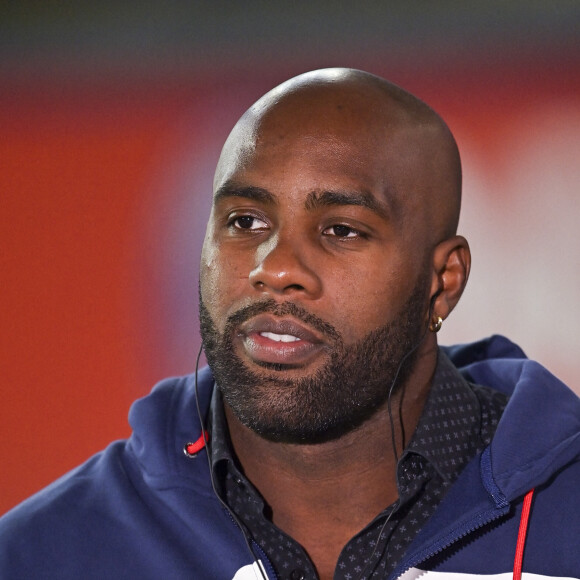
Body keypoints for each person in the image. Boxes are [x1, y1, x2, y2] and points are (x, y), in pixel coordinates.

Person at [0, 68, 578, 580]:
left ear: (443, 281)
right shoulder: (42, 554)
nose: (274, 268)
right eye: (246, 221)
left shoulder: (565, 514)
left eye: (342, 230)